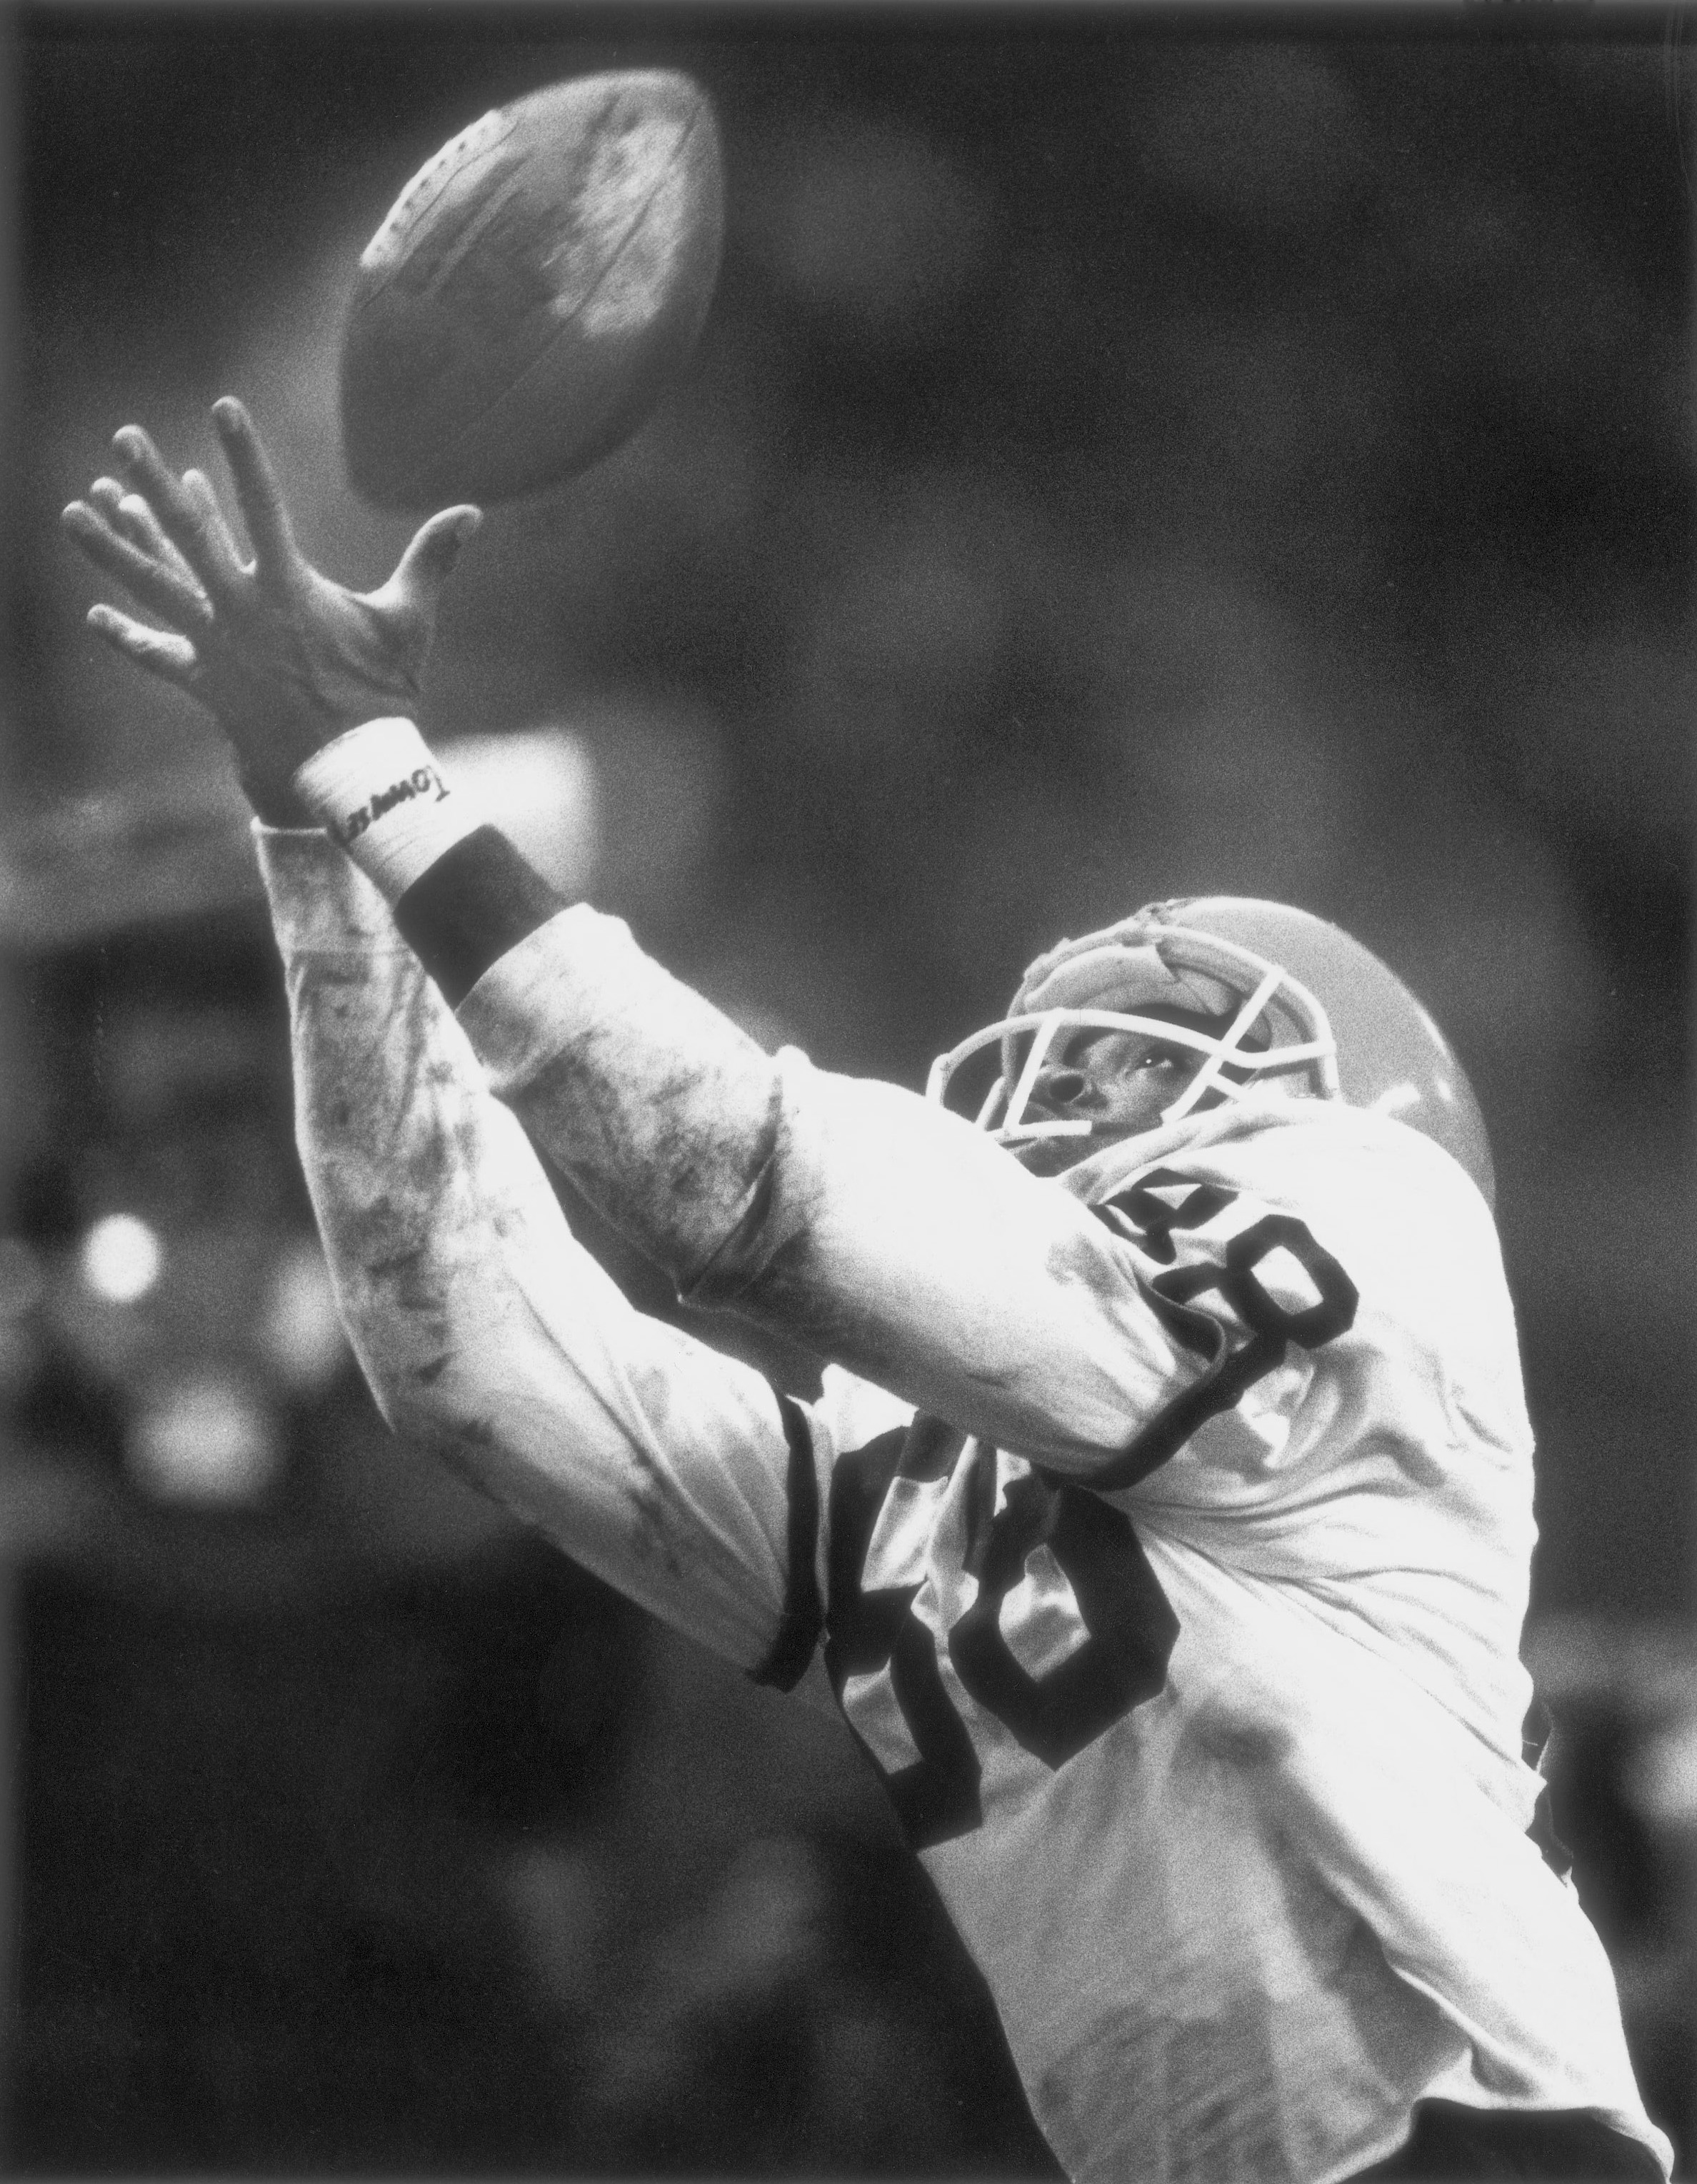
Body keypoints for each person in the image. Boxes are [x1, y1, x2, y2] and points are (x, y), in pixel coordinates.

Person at [63, 402, 1673, 2184]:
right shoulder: (938, 1469)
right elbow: (479, 1360)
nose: (1057, 1091)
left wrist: (383, 771)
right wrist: (319, 843)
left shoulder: (1374, 1254)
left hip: (1476, 2142)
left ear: (1322, 1093)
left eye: (1135, 1062)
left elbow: (735, 1181)